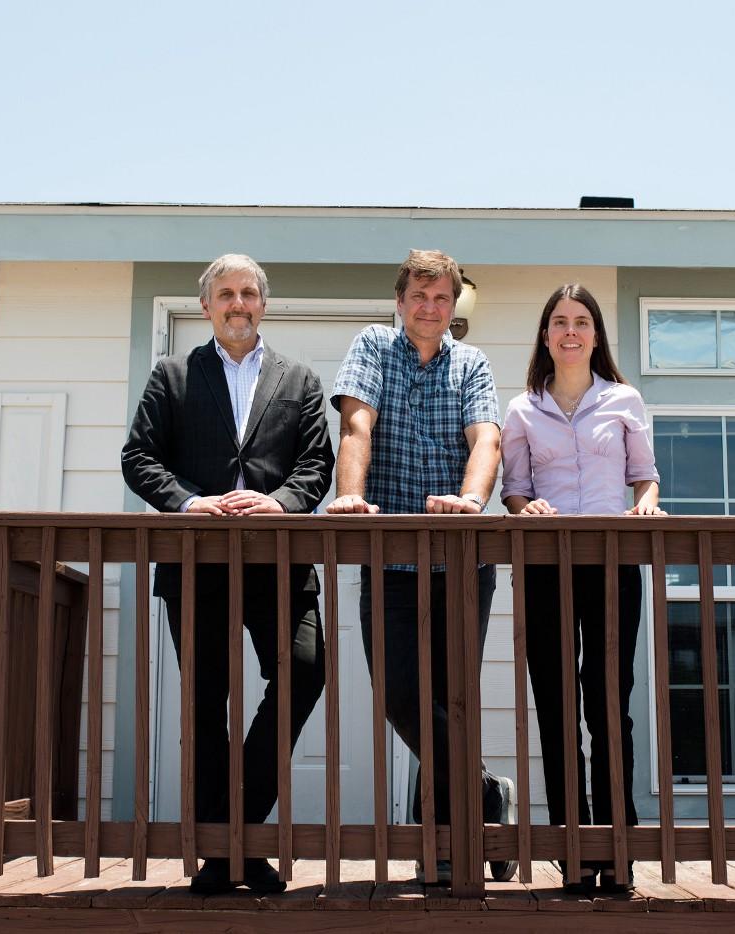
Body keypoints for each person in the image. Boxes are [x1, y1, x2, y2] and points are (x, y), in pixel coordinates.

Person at [121, 253, 333, 894]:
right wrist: (189, 501)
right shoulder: (174, 375)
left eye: (247, 293)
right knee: (205, 702)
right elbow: (138, 457)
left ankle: (236, 826)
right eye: (224, 295)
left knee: (305, 671)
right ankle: (223, 856)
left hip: (279, 565)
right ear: (207, 306)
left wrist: (278, 503)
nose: (237, 304)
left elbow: (316, 465)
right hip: (198, 564)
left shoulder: (300, 379)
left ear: (262, 304)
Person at [326, 249, 516, 884]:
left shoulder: (472, 363)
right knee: (402, 699)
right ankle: (488, 796)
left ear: (453, 304)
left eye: (443, 298)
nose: (431, 308)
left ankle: (451, 845)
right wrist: (349, 495)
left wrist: (470, 502)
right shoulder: (374, 348)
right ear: (401, 299)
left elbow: (485, 439)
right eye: (420, 296)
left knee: (452, 702)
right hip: (391, 563)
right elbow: (358, 425)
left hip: (462, 563)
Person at [499, 283, 662, 895]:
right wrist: (525, 507)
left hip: (612, 565)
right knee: (557, 708)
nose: (571, 332)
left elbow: (644, 479)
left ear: (596, 335)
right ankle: (573, 845)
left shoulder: (624, 400)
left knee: (606, 705)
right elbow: (512, 489)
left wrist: (644, 508)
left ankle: (615, 843)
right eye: (560, 322)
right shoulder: (520, 410)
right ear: (546, 335)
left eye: (582, 322)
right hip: (544, 569)